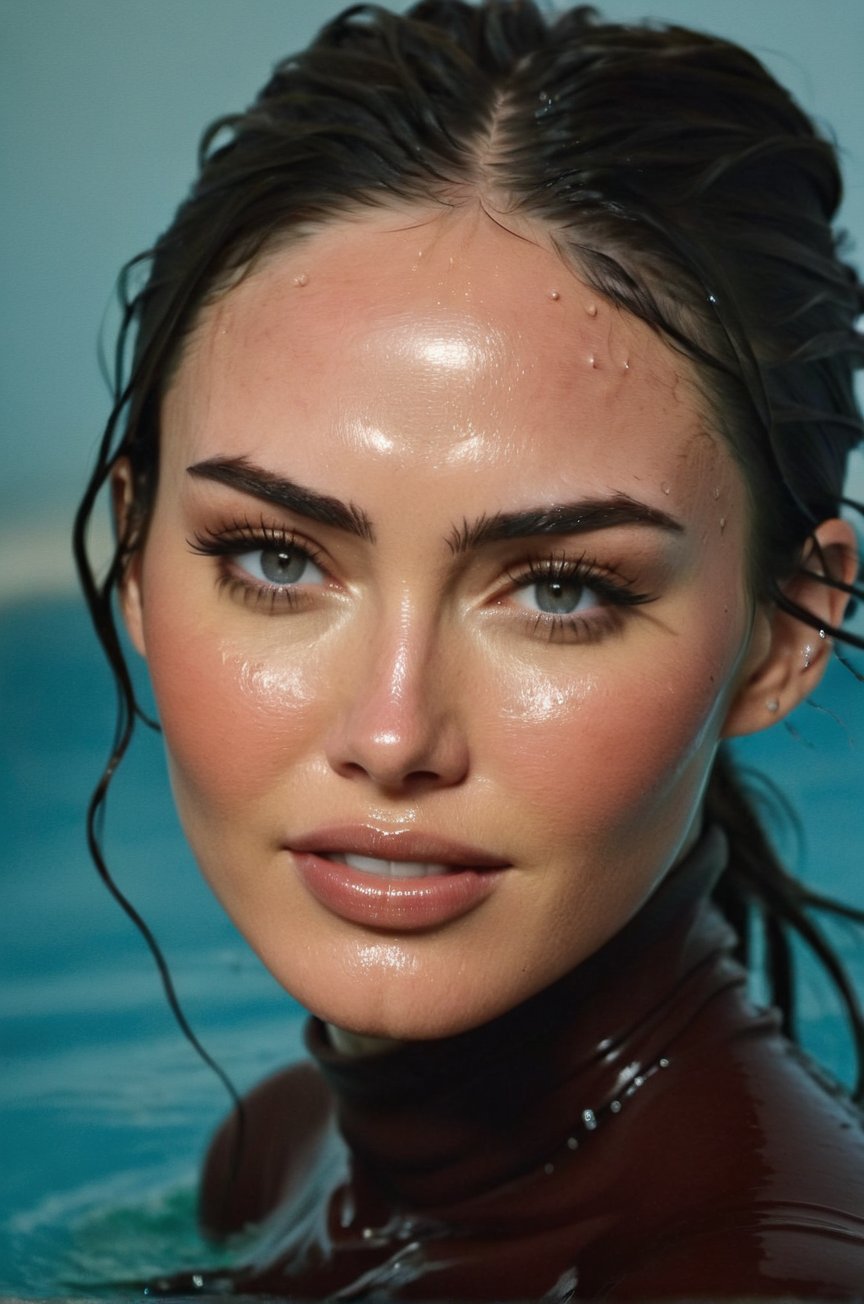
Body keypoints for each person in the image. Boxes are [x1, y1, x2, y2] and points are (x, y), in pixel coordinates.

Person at [73, 1, 864, 1297]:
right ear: (136, 557)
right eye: (277, 559)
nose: (391, 736)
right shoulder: (276, 1157)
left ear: (783, 635)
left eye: (559, 589)